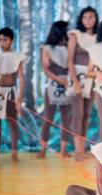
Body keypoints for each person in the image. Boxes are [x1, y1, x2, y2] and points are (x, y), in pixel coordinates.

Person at [0, 27, 26, 162]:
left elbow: (21, 78)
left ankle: (14, 152)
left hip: (10, 93)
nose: (2, 42)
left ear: (11, 40)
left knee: (13, 123)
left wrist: (19, 98)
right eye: (0, 39)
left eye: (5, 39)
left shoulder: (17, 57)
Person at [67, 6, 99, 161]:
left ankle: (82, 147)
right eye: (85, 17)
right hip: (77, 76)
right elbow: (70, 60)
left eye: (91, 17)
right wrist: (75, 81)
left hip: (91, 78)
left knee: (86, 114)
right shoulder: (75, 35)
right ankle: (77, 149)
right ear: (81, 19)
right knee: (78, 114)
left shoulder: (99, 37)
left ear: (95, 19)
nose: (88, 20)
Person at [38, 21, 72, 159]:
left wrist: (68, 80)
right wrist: (60, 80)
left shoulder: (70, 45)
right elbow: (46, 69)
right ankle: (43, 149)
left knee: (66, 119)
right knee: (48, 119)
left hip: (68, 83)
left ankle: (63, 150)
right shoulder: (47, 48)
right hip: (53, 84)